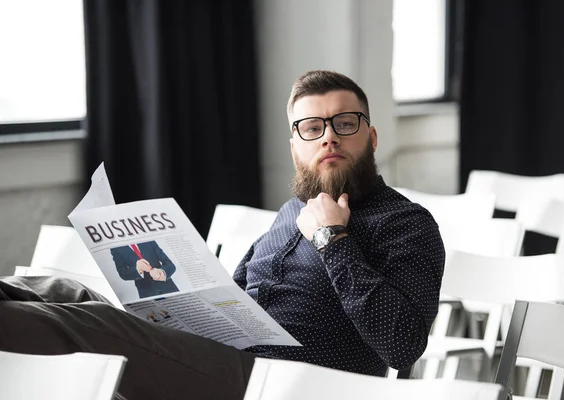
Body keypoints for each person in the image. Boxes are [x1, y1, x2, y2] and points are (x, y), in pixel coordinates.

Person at [0, 70, 444, 400]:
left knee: (75, 327)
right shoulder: (291, 212)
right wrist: (174, 303)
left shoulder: (406, 223)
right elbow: (234, 300)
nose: (328, 138)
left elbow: (402, 345)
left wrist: (332, 238)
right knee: (58, 291)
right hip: (220, 357)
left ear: (372, 137)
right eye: (312, 128)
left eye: (345, 123)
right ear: (295, 146)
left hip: (287, 384)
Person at [110, 240, 180, 298]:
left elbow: (169, 264)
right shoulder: (116, 249)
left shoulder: (148, 240)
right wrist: (138, 270)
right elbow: (123, 273)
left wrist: (162, 272)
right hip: (147, 292)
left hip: (169, 288)